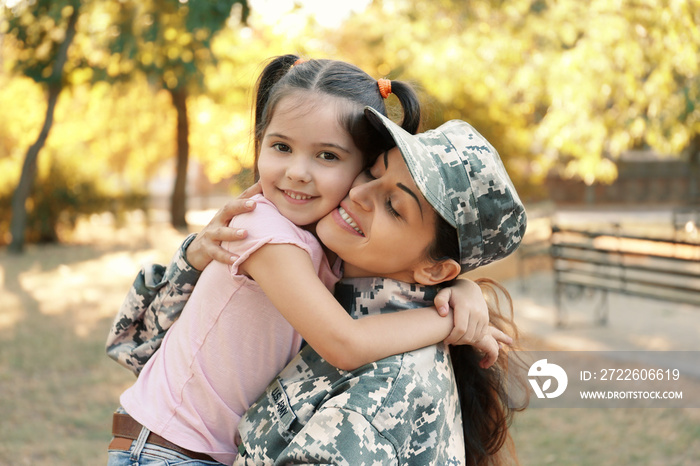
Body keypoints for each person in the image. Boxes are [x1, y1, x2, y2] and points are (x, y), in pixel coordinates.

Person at [106, 56, 499, 466]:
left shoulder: (322, 239)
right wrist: (451, 323)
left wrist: (461, 289)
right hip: (164, 452)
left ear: (360, 169)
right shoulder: (263, 229)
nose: (296, 172)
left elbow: (400, 273)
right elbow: (345, 345)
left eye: (327, 156)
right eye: (281, 147)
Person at [231, 107, 528, 465]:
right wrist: (195, 254)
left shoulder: (384, 389)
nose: (360, 193)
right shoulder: (316, 282)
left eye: (393, 206)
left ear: (434, 271)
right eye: (372, 171)